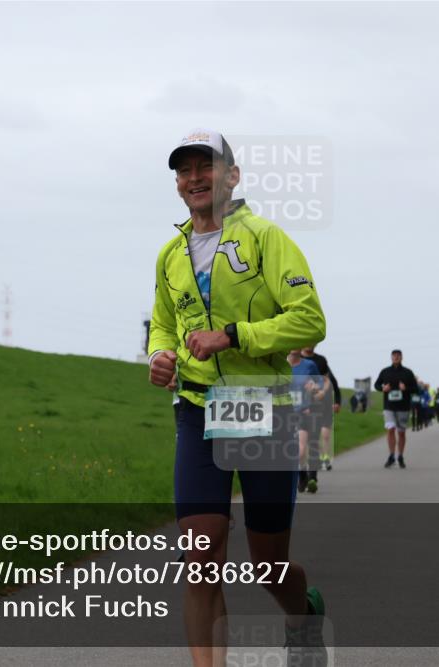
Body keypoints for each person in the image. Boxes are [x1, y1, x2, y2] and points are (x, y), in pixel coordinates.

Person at [148, 129, 328, 667]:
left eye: (206, 167)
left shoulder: (265, 238)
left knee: (266, 564)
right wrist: (159, 355)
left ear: (232, 176)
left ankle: (303, 612)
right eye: (185, 170)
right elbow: (163, 324)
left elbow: (309, 319)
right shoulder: (170, 254)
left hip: (261, 407)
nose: (195, 178)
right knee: (200, 562)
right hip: (197, 410)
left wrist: (233, 335)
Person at [374, 350, 419, 468]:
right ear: (391, 357)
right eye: (394, 356)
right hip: (389, 406)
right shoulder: (385, 371)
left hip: (403, 407)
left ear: (402, 357)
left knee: (401, 432)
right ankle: (391, 455)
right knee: (390, 429)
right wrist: (383, 388)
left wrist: (405, 388)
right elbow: (376, 385)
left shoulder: (408, 372)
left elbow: (416, 389)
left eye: (398, 356)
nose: (396, 358)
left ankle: (400, 456)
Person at [301, 345, 340, 471]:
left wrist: (336, 400)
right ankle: (307, 462)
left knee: (324, 434)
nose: (309, 345)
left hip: (324, 404)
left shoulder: (321, 361)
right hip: (304, 405)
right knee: (307, 437)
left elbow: (330, 381)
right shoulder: (296, 360)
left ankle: (324, 458)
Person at [288, 349, 321, 493]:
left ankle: (309, 476)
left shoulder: (309, 365)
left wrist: (314, 387)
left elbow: (319, 383)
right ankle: (302, 476)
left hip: (303, 412)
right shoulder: (279, 364)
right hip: (284, 413)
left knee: (301, 449)